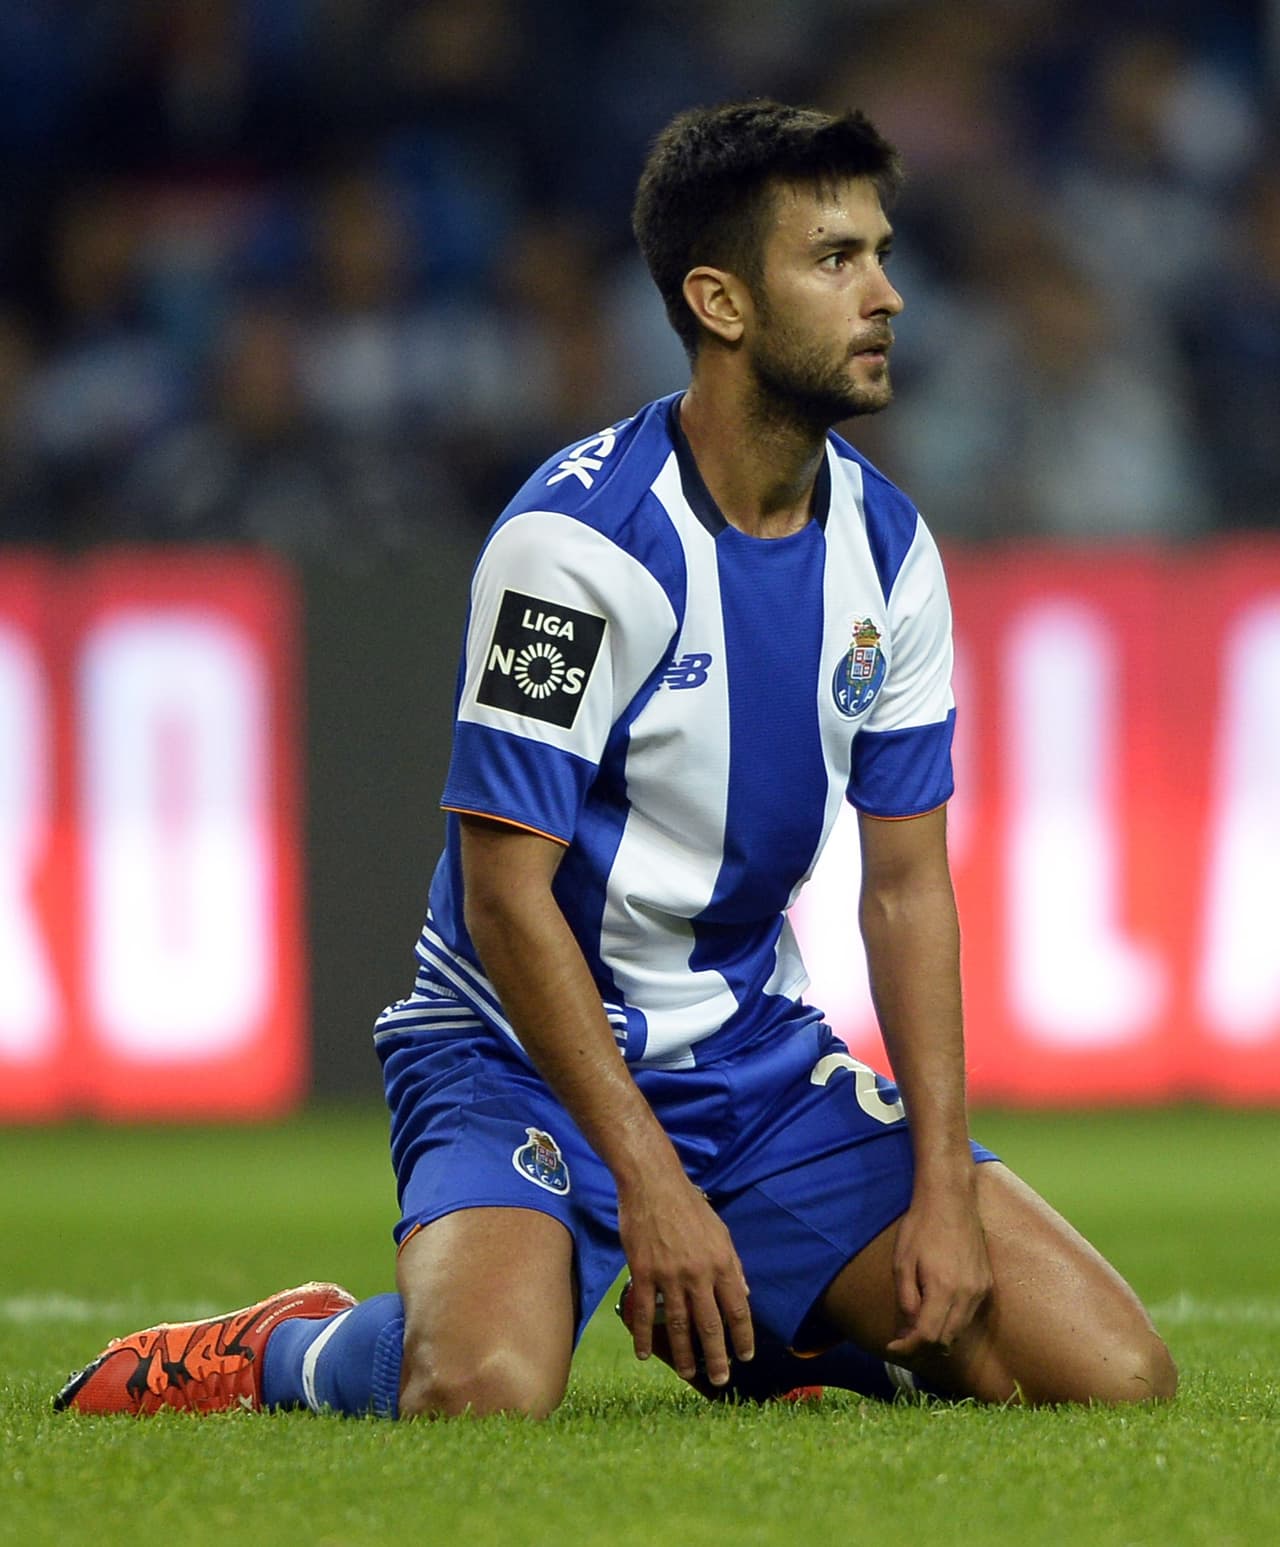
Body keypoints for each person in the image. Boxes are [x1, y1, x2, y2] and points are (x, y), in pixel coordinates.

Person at [56, 101, 1176, 1421]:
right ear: (722, 301)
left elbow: (906, 888)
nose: (887, 294)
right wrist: (652, 1185)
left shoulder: (889, 549)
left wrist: (940, 1188)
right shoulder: (576, 550)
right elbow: (505, 896)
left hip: (750, 1065)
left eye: (880, 251)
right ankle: (286, 1349)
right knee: (482, 1390)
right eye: (835, 260)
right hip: (512, 1051)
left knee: (1112, 1377)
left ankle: (780, 1331)